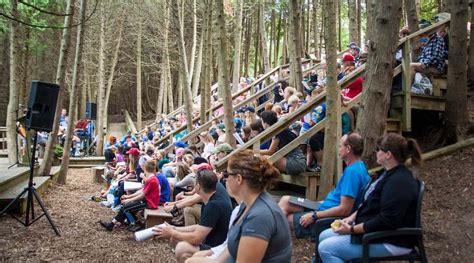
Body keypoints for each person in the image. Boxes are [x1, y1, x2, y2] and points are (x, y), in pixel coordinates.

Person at [318, 133, 422, 262]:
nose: (376, 152)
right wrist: (350, 219)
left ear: (388, 154)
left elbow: (386, 221)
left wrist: (352, 229)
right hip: (376, 232)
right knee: (323, 235)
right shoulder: (386, 175)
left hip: (392, 241)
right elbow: (370, 204)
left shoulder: (399, 182)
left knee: (326, 248)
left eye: (378, 149)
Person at [279, 133, 370, 240]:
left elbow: (344, 210)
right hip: (322, 206)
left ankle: (270, 240)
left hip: (326, 217)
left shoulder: (352, 173)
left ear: (348, 148)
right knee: (285, 200)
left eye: (340, 146)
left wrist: (314, 216)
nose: (339, 149)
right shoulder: (359, 166)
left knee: (285, 218)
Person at [216, 150, 292, 262]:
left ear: (238, 179)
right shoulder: (248, 204)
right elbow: (231, 248)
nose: (225, 179)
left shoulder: (260, 217)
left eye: (227, 174)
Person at [154, 169, 232, 263]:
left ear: (198, 187)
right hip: (219, 245)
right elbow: (200, 227)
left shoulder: (213, 205)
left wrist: (172, 232)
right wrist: (174, 228)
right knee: (177, 238)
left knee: (181, 247)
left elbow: (196, 238)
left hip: (216, 248)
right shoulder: (210, 195)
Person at [99, 160, 160, 231]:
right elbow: (141, 191)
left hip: (150, 203)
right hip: (147, 201)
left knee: (126, 208)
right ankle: (113, 224)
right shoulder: (151, 179)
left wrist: (129, 199)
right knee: (127, 207)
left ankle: (136, 224)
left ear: (145, 169)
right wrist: (128, 197)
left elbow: (142, 195)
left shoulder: (151, 180)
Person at [259, 110, 306, 175]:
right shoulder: (276, 130)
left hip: (296, 161)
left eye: (261, 121)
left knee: (264, 158)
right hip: (292, 160)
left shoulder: (277, 132)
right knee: (262, 158)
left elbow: (270, 151)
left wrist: (253, 151)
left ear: (265, 122)